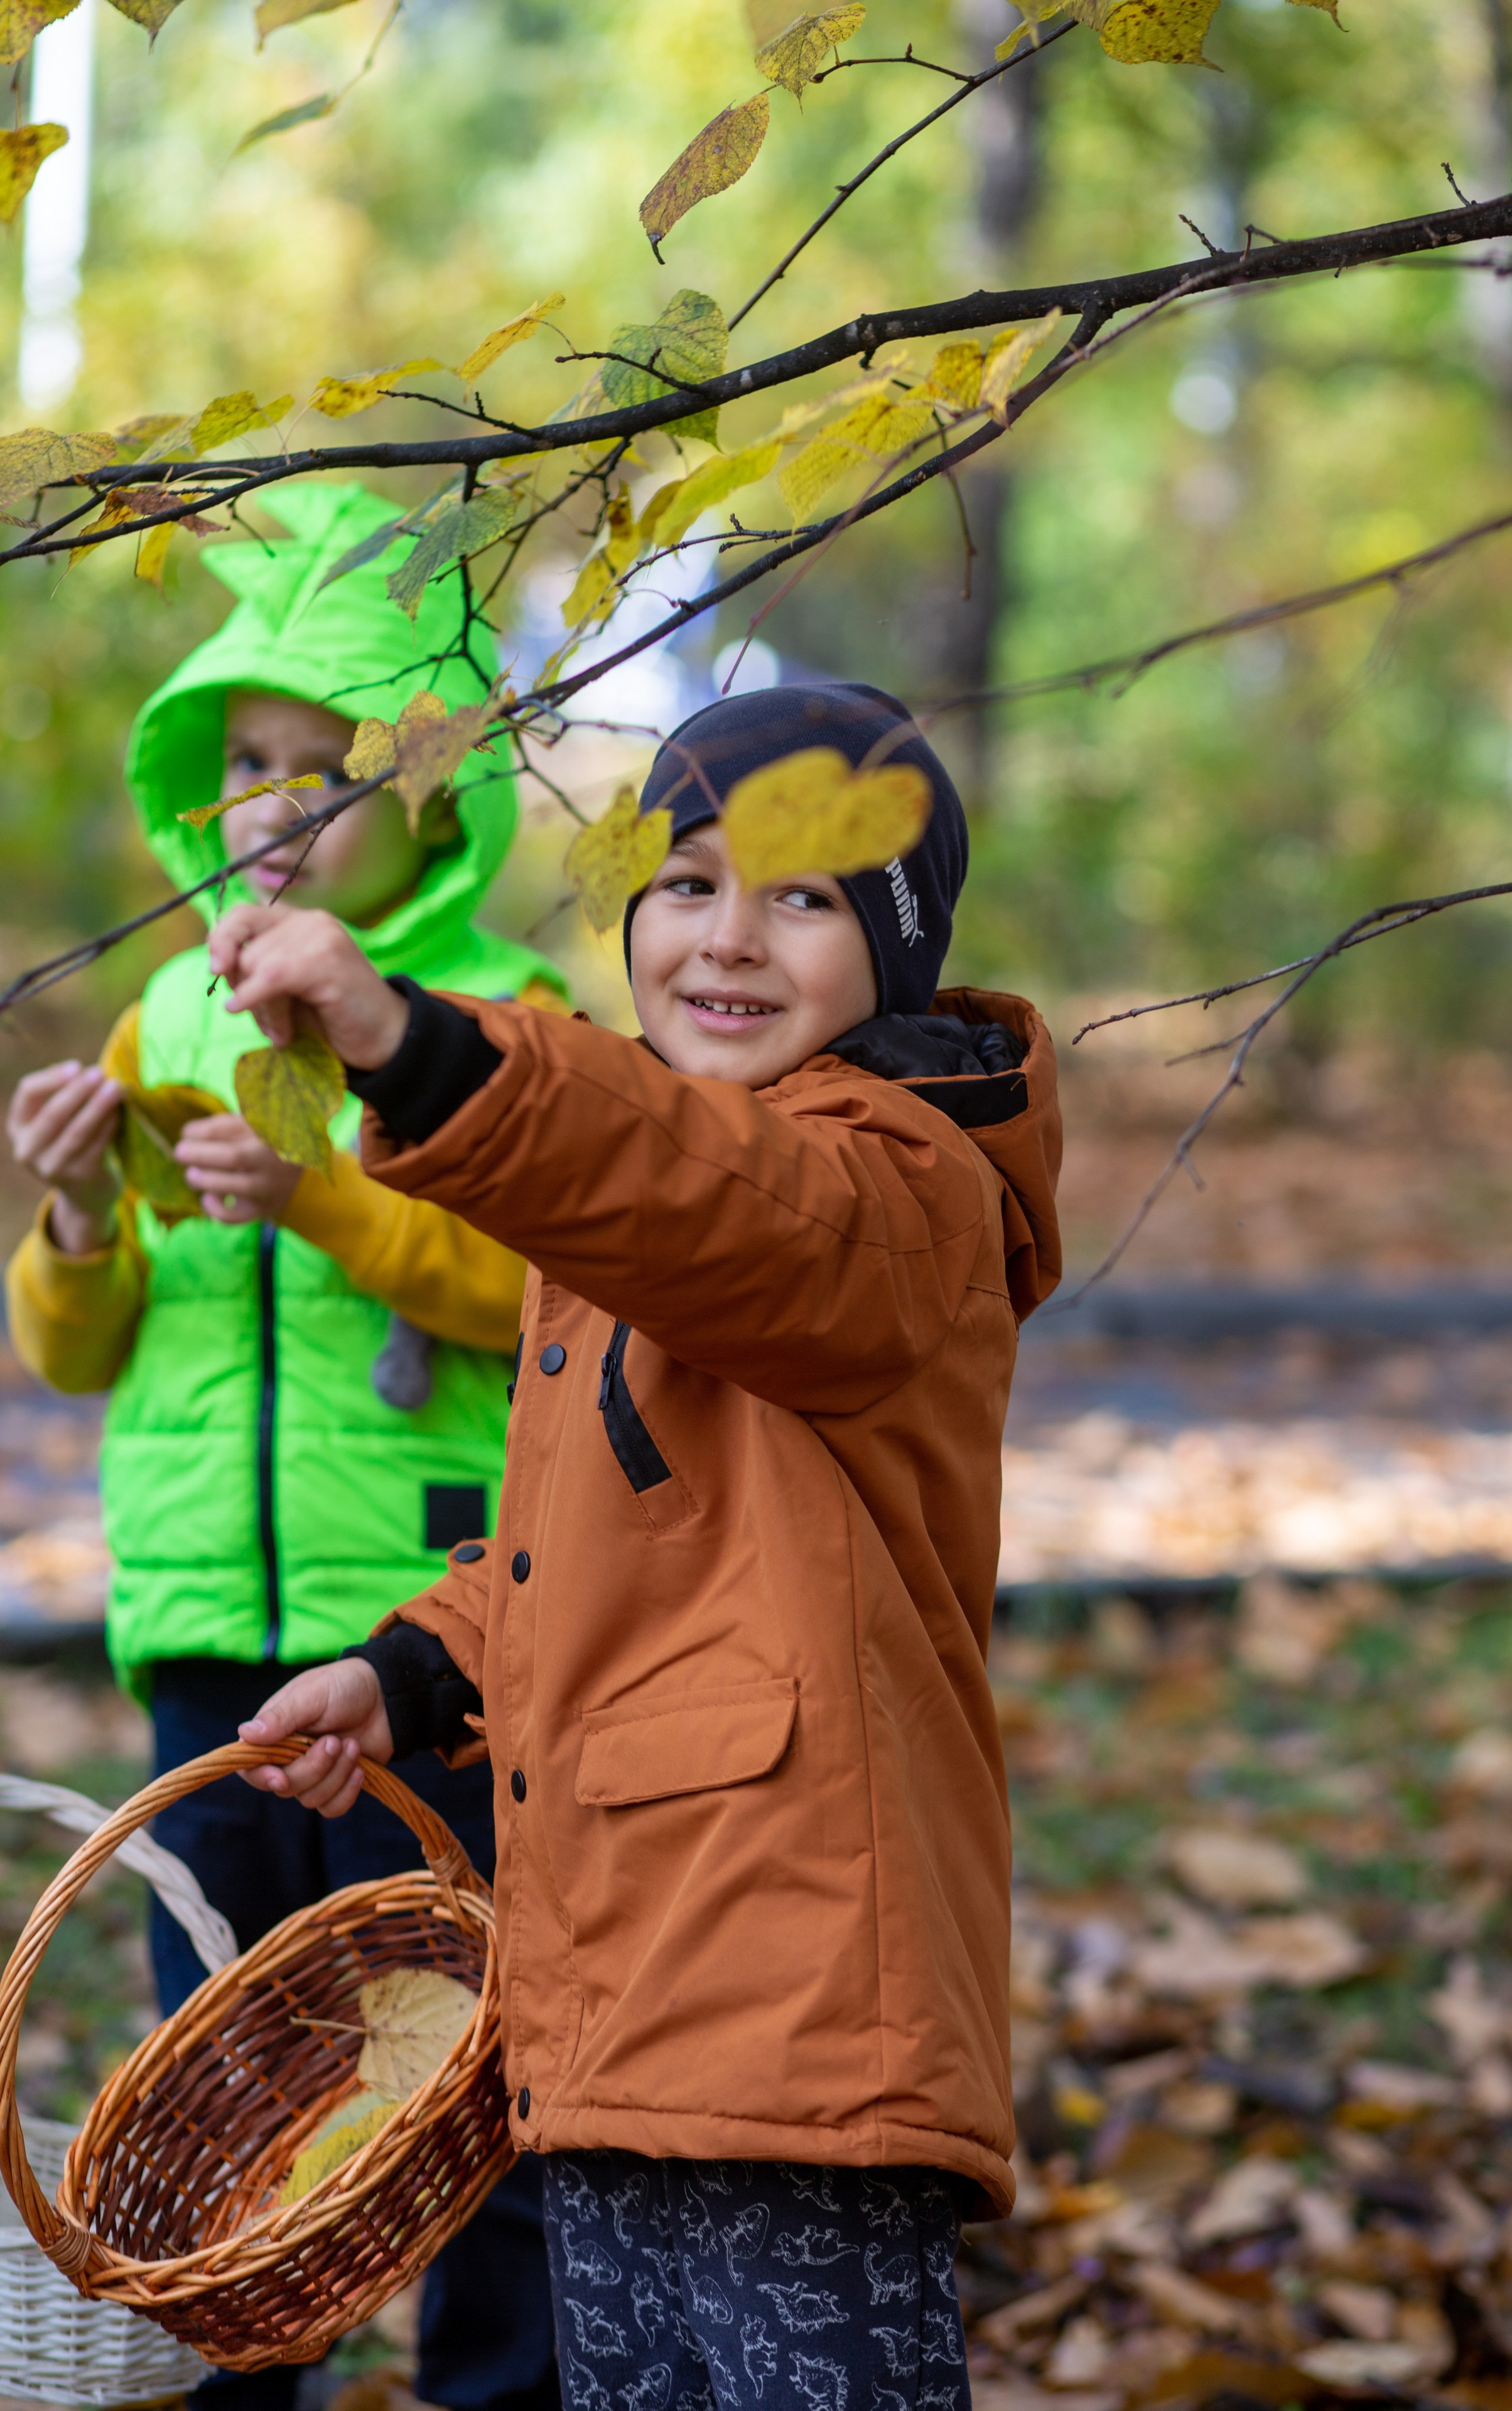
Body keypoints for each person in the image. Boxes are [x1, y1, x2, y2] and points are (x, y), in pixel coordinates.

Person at [216, 680, 1063, 2410]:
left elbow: (720, 1203)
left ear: (893, 947)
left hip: (801, 2013)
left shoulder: (897, 1195)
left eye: (805, 896)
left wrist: (422, 1050)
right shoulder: (633, 1214)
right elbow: (588, 1535)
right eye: (683, 884)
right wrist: (410, 1672)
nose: (729, 940)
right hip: (610, 2004)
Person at [3, 482, 567, 2411]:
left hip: (426, 1641)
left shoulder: (499, 1016)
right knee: (225, 2091)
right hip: (205, 1635)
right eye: (243, 761)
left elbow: (535, 1298)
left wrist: (328, 1198)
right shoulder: (170, 1009)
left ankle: (498, 2391)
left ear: (426, 793)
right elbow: (84, 1350)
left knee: (460, 2066)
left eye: (320, 767)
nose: (269, 803)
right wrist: (80, 1217)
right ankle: (240, 2389)